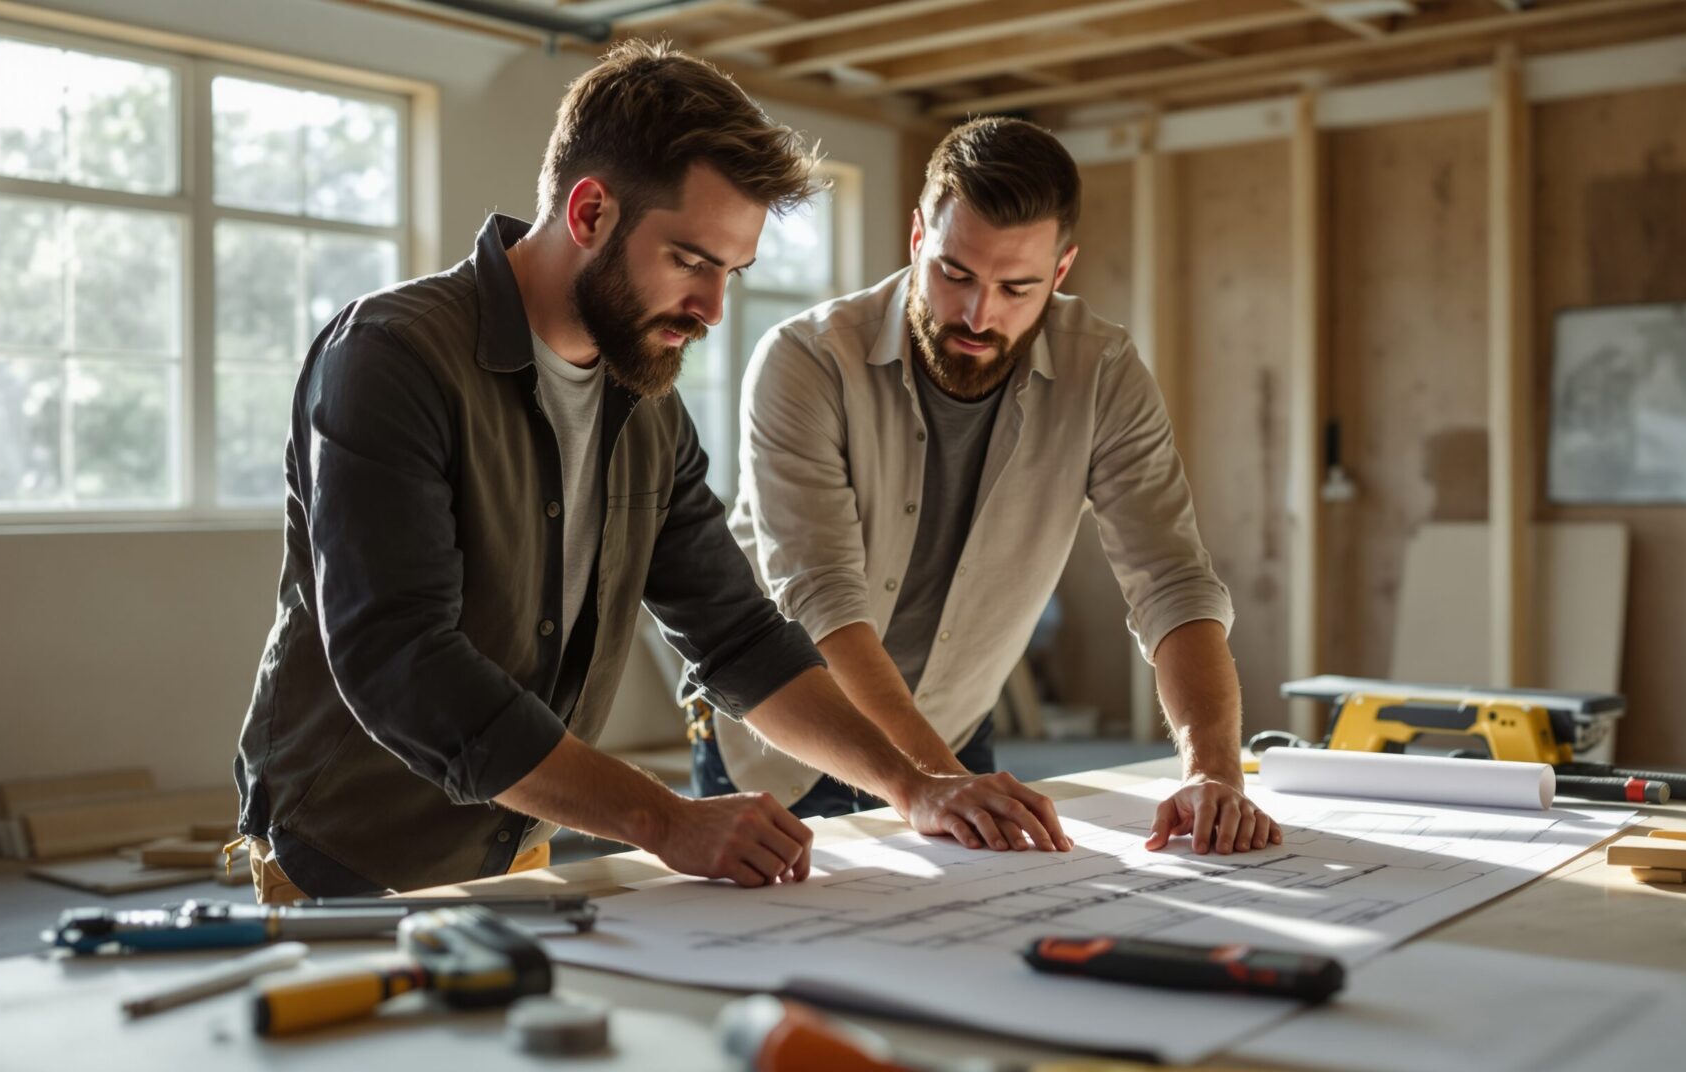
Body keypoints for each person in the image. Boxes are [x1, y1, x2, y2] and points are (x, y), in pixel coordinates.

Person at [232, 44, 1068, 904]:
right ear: (589, 211)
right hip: (351, 864)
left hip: (518, 849)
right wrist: (665, 819)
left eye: (730, 273)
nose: (711, 308)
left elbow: (736, 637)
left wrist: (913, 785)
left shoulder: (644, 398)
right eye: (690, 261)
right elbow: (403, 663)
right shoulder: (391, 358)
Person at [703, 117, 1281, 856]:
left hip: (953, 740)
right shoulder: (804, 364)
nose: (979, 316)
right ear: (918, 239)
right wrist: (931, 784)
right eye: (955, 274)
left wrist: (1215, 773)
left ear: (1061, 271)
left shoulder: (1101, 373)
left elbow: (1171, 581)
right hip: (785, 752)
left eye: (1017, 287)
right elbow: (822, 603)